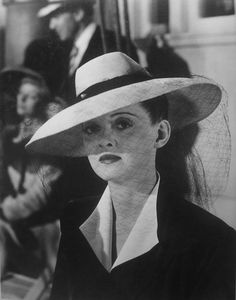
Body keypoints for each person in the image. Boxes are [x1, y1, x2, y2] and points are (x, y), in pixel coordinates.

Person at [27, 52, 236, 300]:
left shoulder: (212, 241)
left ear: (160, 133)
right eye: (92, 128)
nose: (105, 140)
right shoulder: (75, 218)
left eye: (123, 123)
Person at [0, 68, 63, 277]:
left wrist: (6, 211)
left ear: (42, 101)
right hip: (11, 223)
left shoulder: (50, 139)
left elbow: (41, 191)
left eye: (31, 96)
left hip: (43, 227)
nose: (22, 100)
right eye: (21, 94)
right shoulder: (9, 135)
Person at [32, 0, 139, 102]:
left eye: (56, 17)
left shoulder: (113, 44)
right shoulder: (65, 49)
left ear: (78, 14)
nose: (52, 25)